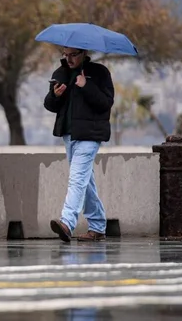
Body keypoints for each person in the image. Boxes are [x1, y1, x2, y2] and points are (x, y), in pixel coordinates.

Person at [44, 47, 114, 242]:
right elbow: (49, 105)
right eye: (65, 54)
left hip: (90, 135)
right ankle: (98, 226)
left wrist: (86, 85)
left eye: (73, 55)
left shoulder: (99, 73)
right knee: (85, 181)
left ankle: (67, 222)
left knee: (76, 179)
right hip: (69, 135)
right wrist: (55, 95)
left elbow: (106, 103)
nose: (69, 59)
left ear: (84, 53)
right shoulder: (60, 73)